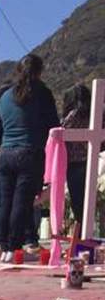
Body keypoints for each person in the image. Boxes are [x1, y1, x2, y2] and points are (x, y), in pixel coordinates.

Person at [0, 54, 59, 261]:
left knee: (5, 201)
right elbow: (54, 126)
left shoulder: (4, 96)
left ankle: (2, 246)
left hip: (6, 154)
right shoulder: (42, 93)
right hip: (30, 152)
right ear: (39, 71)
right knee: (22, 202)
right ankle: (15, 249)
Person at [60, 84, 93, 237]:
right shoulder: (95, 113)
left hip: (74, 163)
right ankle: (87, 234)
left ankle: (82, 237)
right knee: (89, 201)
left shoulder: (74, 114)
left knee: (78, 202)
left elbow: (61, 130)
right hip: (91, 160)